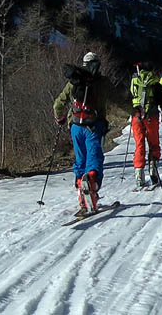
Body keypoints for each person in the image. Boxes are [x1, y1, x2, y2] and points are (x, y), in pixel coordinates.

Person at [53, 52, 113, 215]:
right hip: (94, 127)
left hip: (75, 127)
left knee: (80, 160)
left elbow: (58, 103)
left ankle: (82, 196)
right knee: (95, 159)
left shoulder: (74, 81)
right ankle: (92, 183)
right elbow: (118, 98)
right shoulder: (102, 82)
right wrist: (134, 111)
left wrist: (60, 118)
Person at [130, 62, 162, 189]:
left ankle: (139, 176)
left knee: (139, 144)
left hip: (136, 117)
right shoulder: (155, 84)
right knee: (153, 143)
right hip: (151, 117)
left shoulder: (134, 81)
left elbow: (128, 98)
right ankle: (153, 170)